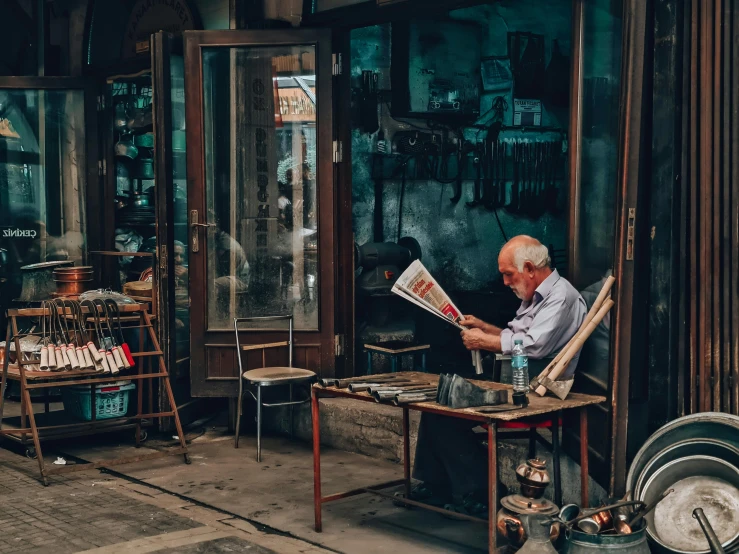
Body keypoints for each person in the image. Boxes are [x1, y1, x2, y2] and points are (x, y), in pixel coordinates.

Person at [410, 236, 587, 516]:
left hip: (536, 389)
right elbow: (516, 336)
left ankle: (485, 492)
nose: (505, 282)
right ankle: (437, 485)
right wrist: (484, 327)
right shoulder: (538, 295)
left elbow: (532, 345)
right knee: (438, 401)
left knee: (447, 412)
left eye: (508, 274)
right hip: (516, 377)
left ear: (529, 267)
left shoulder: (561, 297)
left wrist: (483, 342)